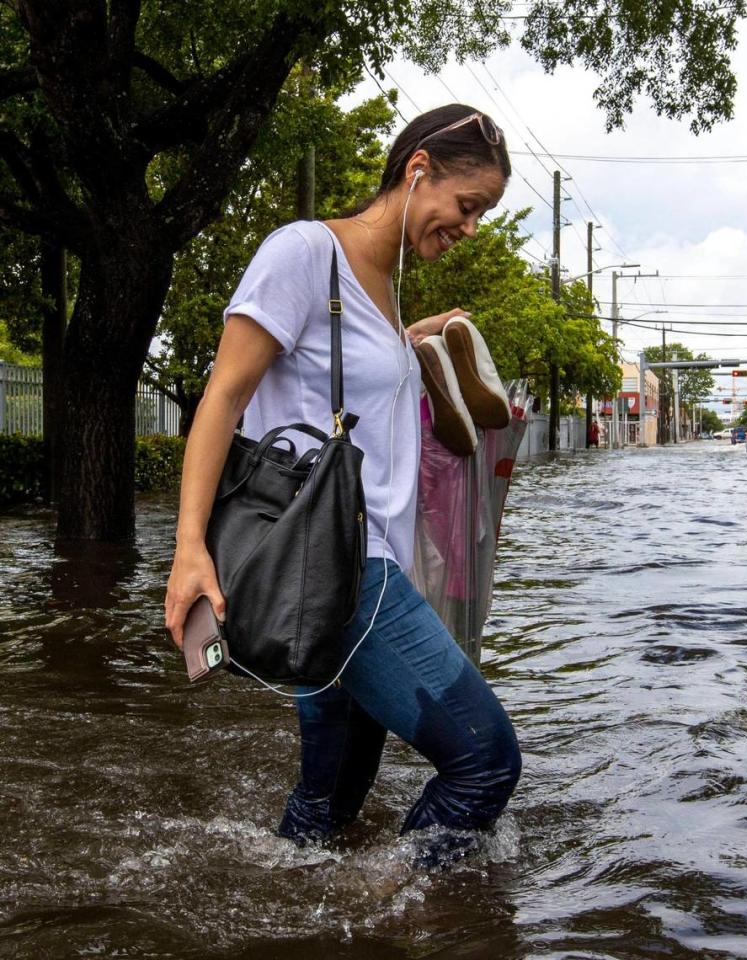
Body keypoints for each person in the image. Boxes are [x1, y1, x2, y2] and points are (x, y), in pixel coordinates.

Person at [164, 104, 521, 862]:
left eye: (483, 213)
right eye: (468, 206)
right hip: (340, 569)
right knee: (485, 761)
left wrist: (405, 340)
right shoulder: (303, 253)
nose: (470, 227)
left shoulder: (383, 290)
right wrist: (189, 549)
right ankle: (393, 913)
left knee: (328, 809)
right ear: (419, 168)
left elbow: (349, 383)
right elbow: (222, 398)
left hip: (346, 575)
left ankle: (293, 918)